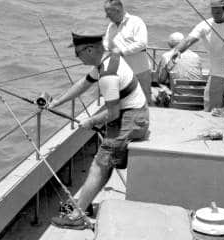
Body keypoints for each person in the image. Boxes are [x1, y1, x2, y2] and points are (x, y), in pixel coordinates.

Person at [47, 32, 149, 229]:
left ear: (90, 49)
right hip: (136, 113)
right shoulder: (111, 58)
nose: (78, 58)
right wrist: (58, 102)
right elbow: (84, 83)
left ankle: (77, 217)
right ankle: (82, 206)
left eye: (78, 54)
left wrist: (90, 121)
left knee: (99, 164)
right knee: (104, 162)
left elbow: (113, 112)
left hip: (131, 119)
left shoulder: (108, 77)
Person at [103, 0, 152, 104]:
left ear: (118, 10)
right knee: (124, 100)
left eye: (109, 13)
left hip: (140, 69)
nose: (107, 16)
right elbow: (106, 43)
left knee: (145, 98)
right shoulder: (111, 26)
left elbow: (142, 43)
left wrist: (121, 51)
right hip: (121, 71)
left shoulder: (136, 22)